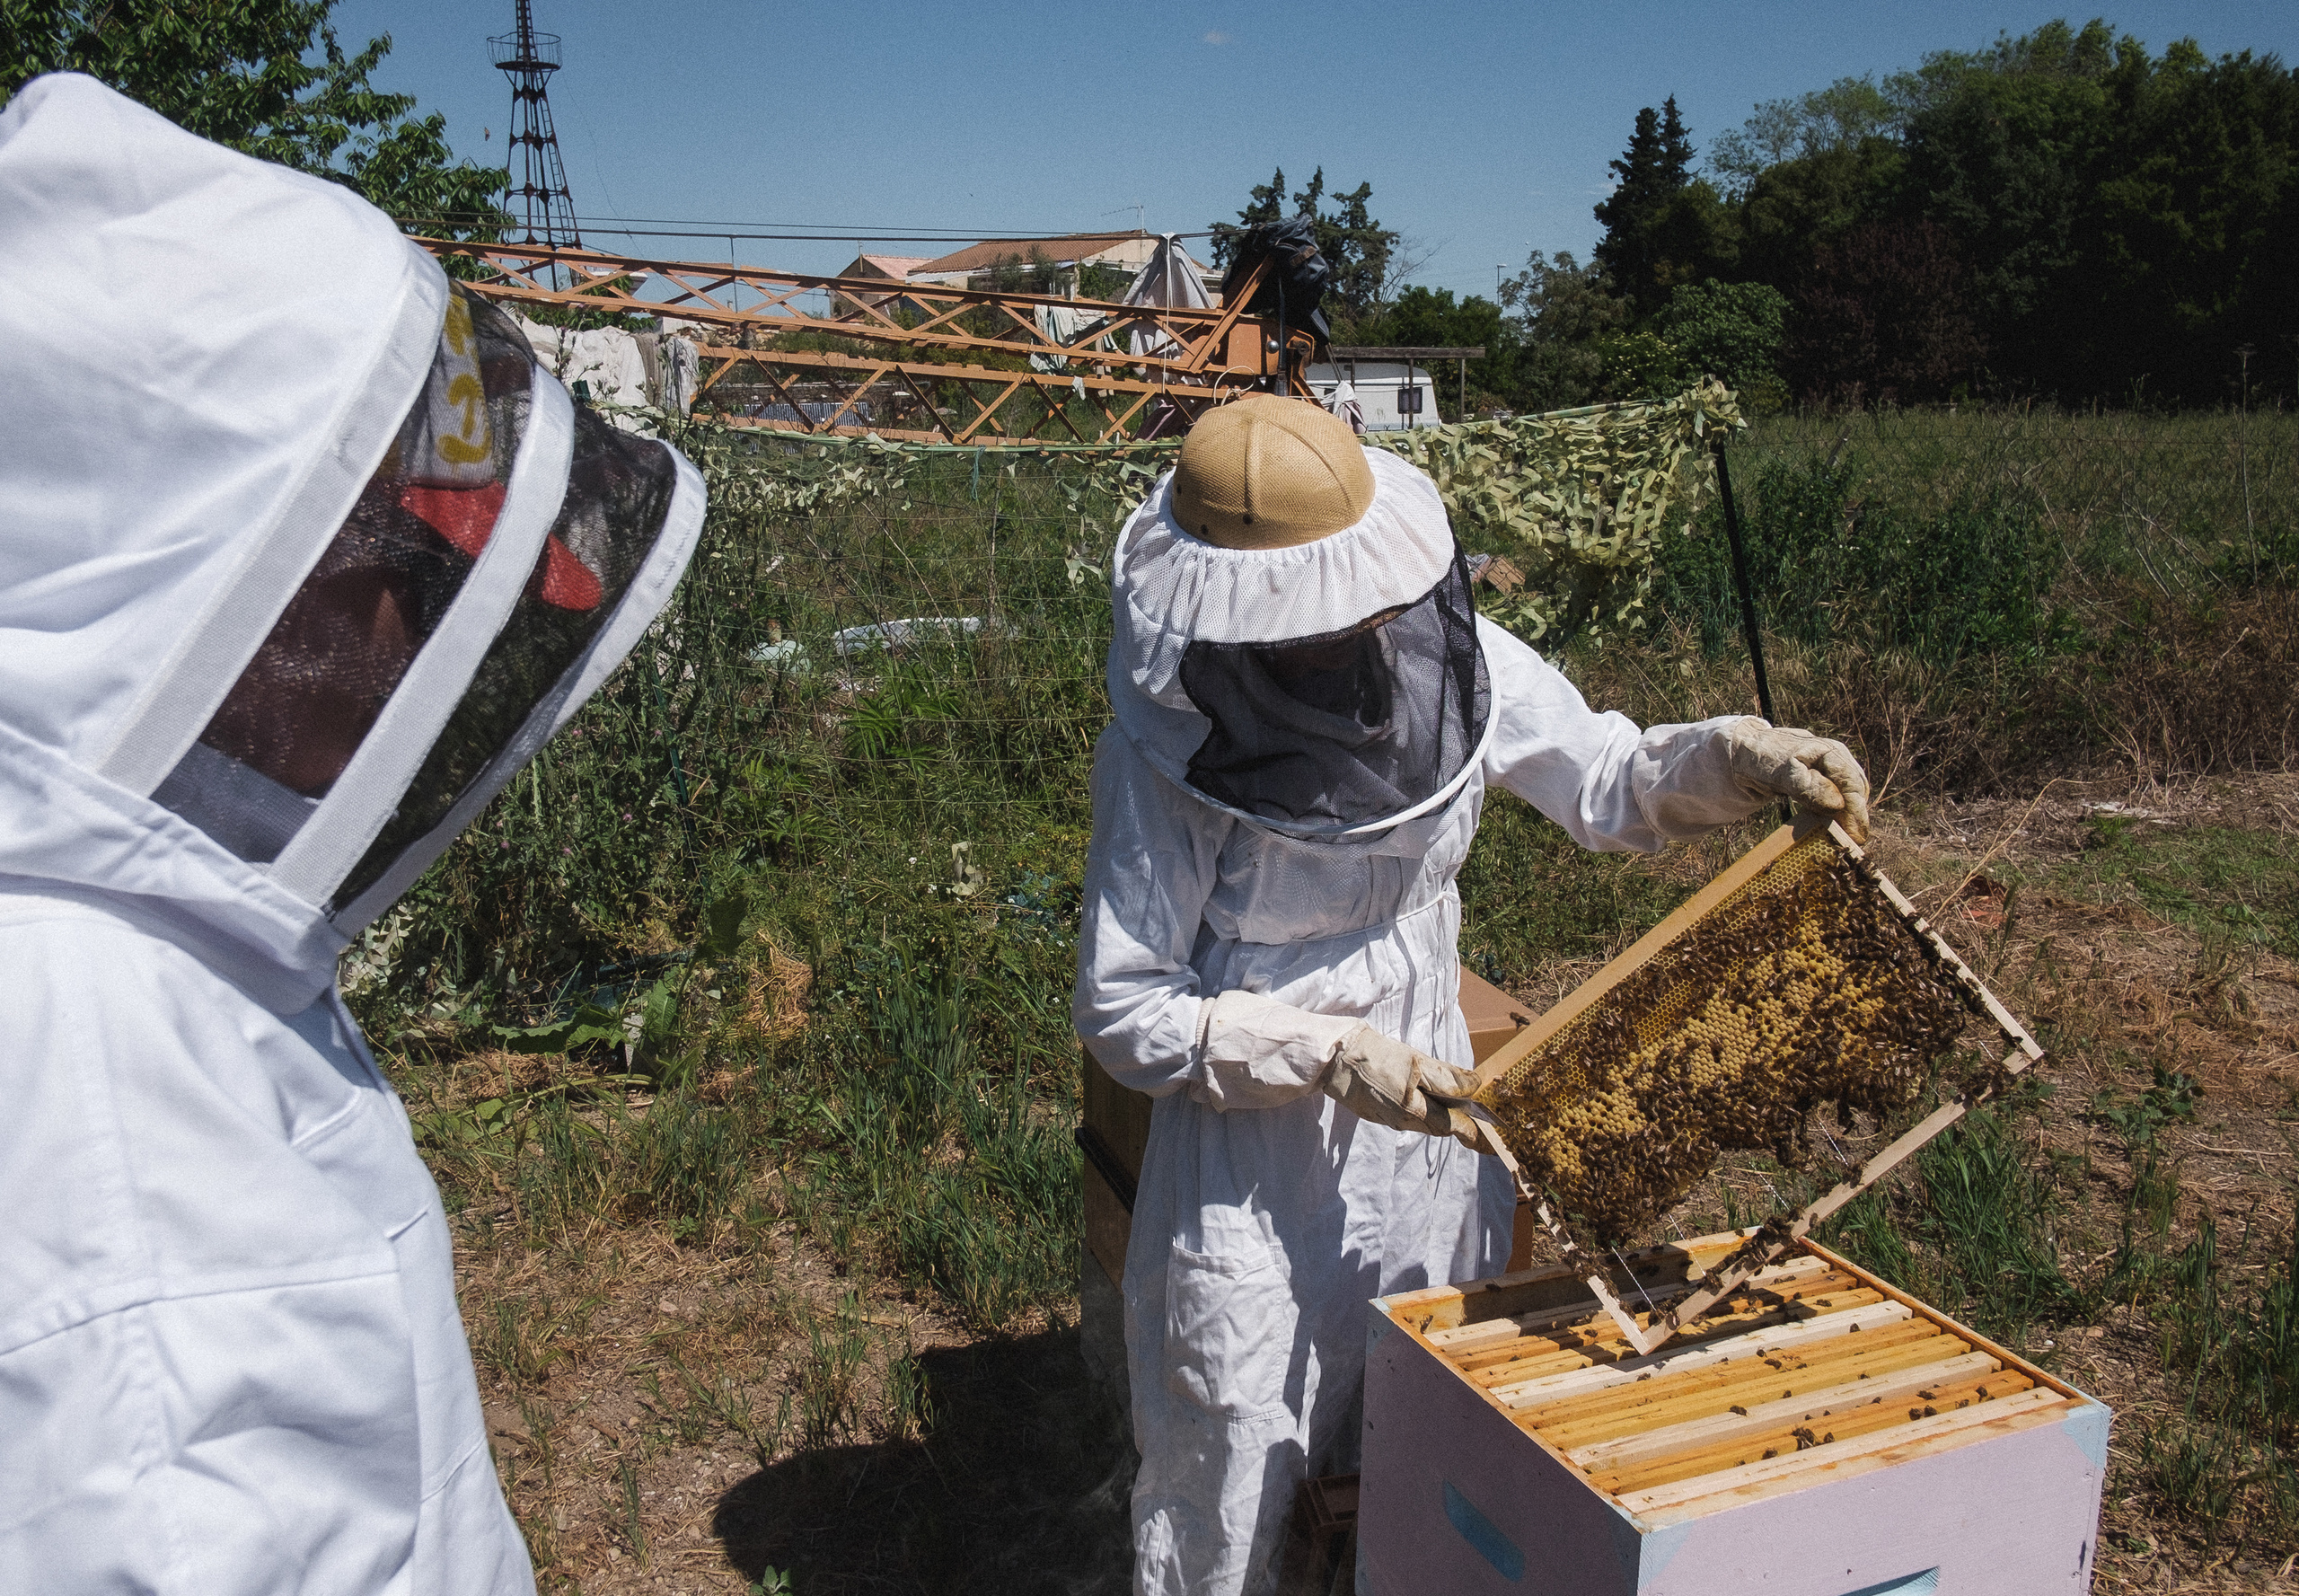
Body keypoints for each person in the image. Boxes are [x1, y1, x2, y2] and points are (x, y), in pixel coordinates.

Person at [0, 75, 706, 1591]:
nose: (408, 632)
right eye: (385, 564)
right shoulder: (99, 1077)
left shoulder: (141, 950)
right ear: (212, 585)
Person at [1071, 395, 1869, 1596]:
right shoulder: (1169, 747)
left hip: (1439, 1109)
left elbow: (1611, 776)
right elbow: (1127, 1005)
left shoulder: (1457, 661)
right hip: (1254, 1151)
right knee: (1233, 1453)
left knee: (1417, 1423)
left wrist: (1739, 757)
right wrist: (1329, 1055)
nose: (1325, 639)